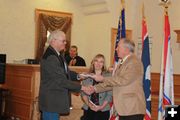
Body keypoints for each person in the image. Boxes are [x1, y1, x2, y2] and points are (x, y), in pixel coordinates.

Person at [87, 39, 146, 120]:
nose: (116, 49)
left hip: (132, 108)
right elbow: (114, 83)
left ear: (126, 49)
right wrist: (94, 88)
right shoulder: (123, 62)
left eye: (118, 47)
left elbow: (123, 80)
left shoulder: (134, 62)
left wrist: (103, 79)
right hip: (125, 108)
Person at [39, 29, 88, 120]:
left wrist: (78, 76)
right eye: (63, 41)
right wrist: (82, 88)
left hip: (54, 102)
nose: (65, 43)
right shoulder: (51, 57)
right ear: (54, 40)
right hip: (51, 102)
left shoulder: (57, 54)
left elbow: (65, 72)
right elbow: (61, 80)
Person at [81, 54, 112, 120]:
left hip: (103, 109)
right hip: (88, 108)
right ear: (93, 62)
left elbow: (110, 94)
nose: (98, 63)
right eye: (96, 61)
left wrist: (101, 107)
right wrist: (89, 105)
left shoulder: (108, 76)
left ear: (103, 64)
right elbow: (83, 93)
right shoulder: (86, 75)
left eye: (101, 62)